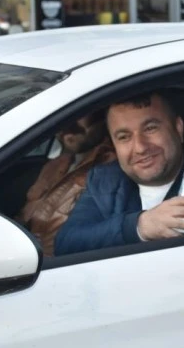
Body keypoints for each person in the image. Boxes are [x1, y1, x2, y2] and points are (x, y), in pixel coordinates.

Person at [54, 90, 184, 256]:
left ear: (178, 128)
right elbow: (66, 243)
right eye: (124, 137)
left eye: (150, 128)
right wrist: (139, 226)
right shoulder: (105, 180)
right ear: (114, 145)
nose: (140, 147)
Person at [16, 110, 116, 257]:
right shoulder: (55, 165)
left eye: (77, 115)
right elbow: (25, 214)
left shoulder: (112, 168)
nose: (67, 126)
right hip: (23, 253)